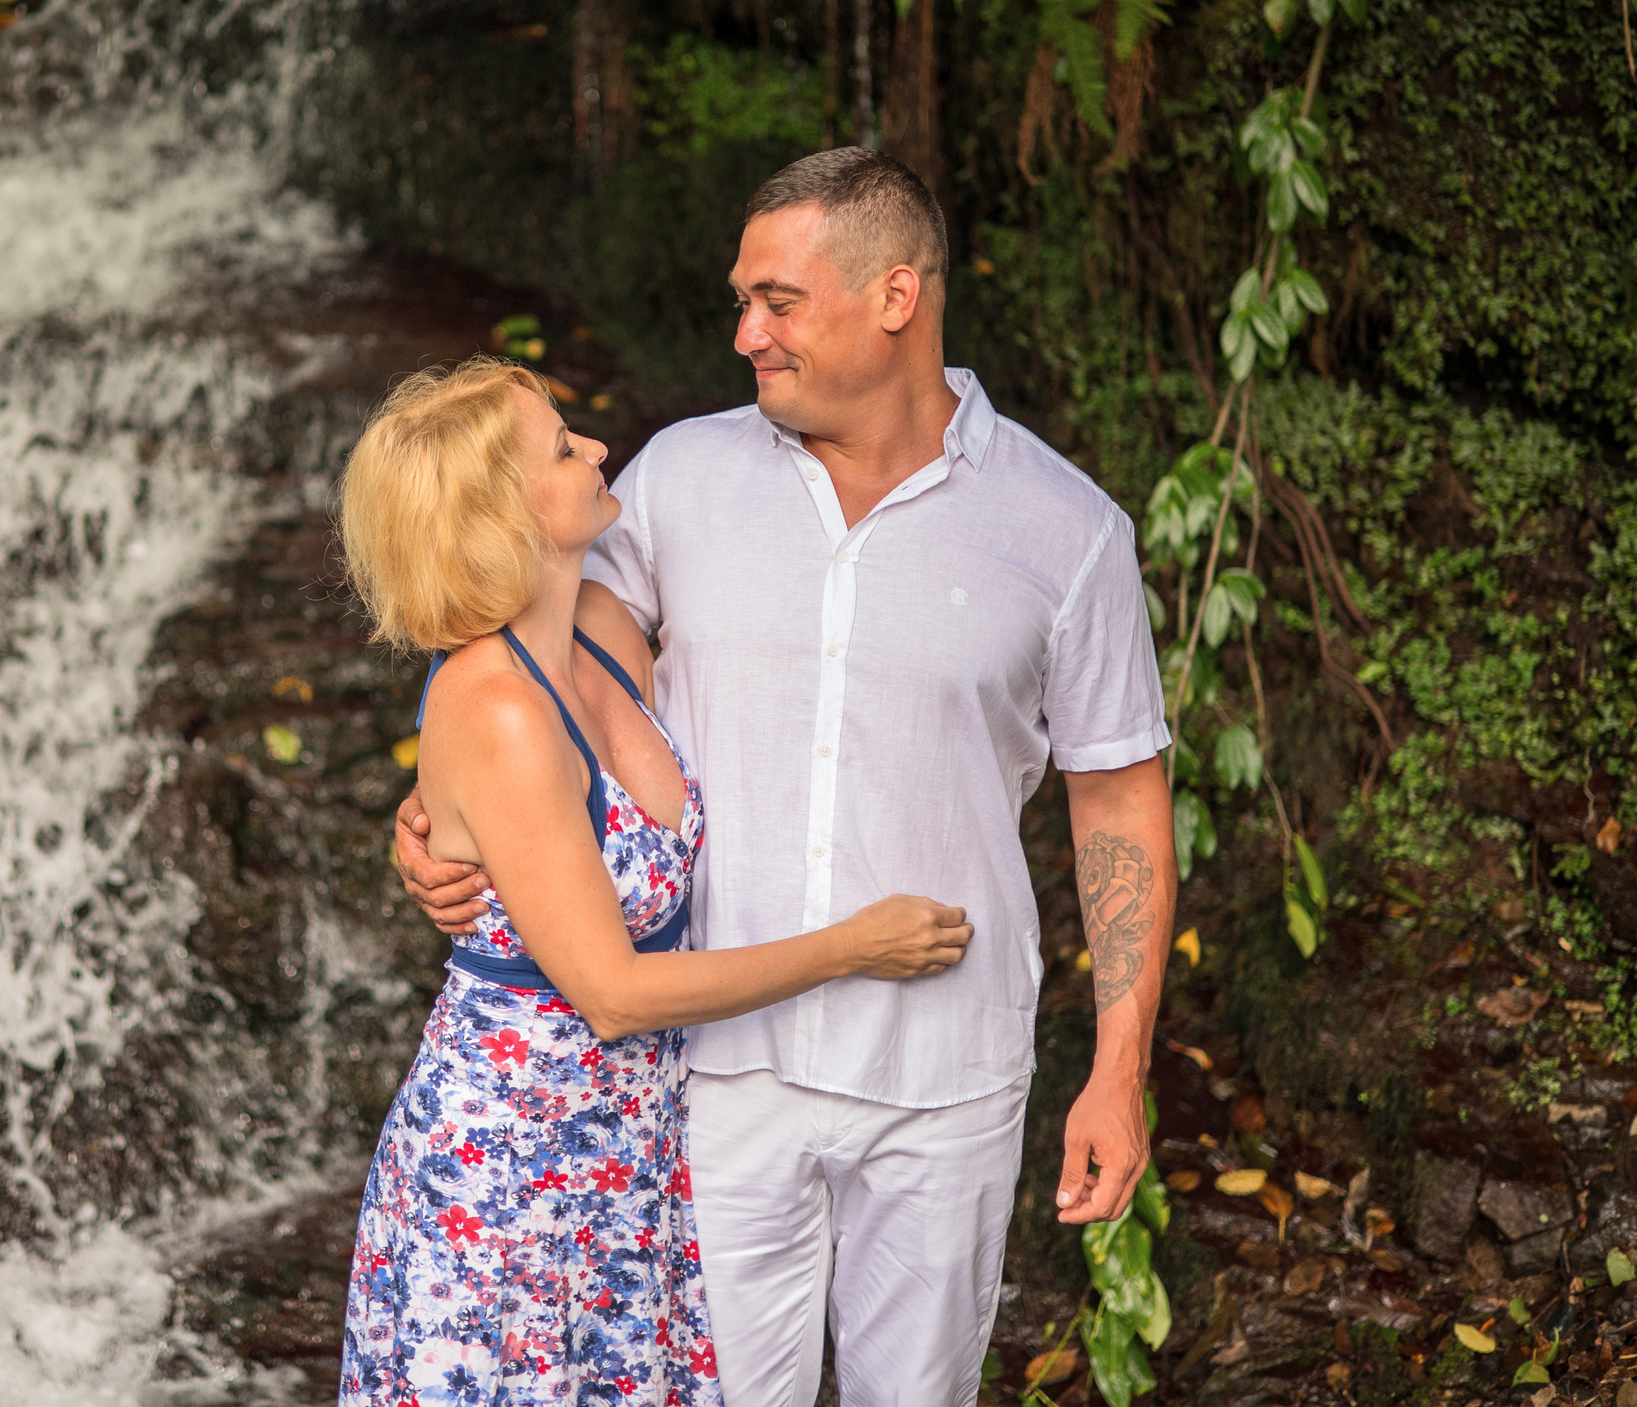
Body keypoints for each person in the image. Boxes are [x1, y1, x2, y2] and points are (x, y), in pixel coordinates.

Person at [394, 148, 1177, 1407]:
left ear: (894, 298)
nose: (747, 334)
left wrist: (1118, 1066)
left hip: (947, 1077)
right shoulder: (675, 478)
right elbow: (541, 676)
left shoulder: (1067, 529)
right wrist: (446, 816)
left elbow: (1118, 793)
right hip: (712, 1077)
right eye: (740, 301)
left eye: (779, 301)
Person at [335, 357, 977, 1407]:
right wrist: (854, 947)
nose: (594, 448)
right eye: (561, 447)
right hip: (510, 1173)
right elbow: (614, 993)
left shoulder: (599, 630)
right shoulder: (493, 708)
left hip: (628, 1155)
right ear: (500, 514)